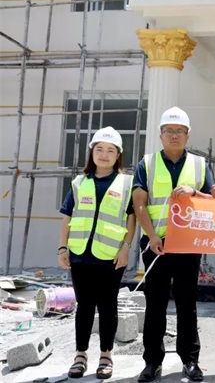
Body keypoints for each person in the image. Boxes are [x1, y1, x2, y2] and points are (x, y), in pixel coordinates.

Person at [132, 107, 215, 383]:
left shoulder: (200, 165)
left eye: (180, 131)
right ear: (161, 135)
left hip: (188, 245)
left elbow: (214, 201)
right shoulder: (147, 163)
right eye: (169, 131)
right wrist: (152, 236)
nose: (174, 135)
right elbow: (139, 203)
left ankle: (190, 360)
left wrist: (194, 192)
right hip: (156, 245)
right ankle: (152, 362)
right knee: (155, 305)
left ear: (187, 136)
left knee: (186, 305)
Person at [58, 127, 135, 380]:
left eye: (110, 150)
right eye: (99, 149)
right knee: (84, 307)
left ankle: (106, 356)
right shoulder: (79, 183)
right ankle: (80, 355)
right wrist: (62, 248)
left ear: (118, 155)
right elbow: (67, 217)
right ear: (92, 152)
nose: (104, 154)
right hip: (80, 254)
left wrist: (126, 248)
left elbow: (131, 218)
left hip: (111, 255)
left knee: (108, 306)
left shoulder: (126, 183)